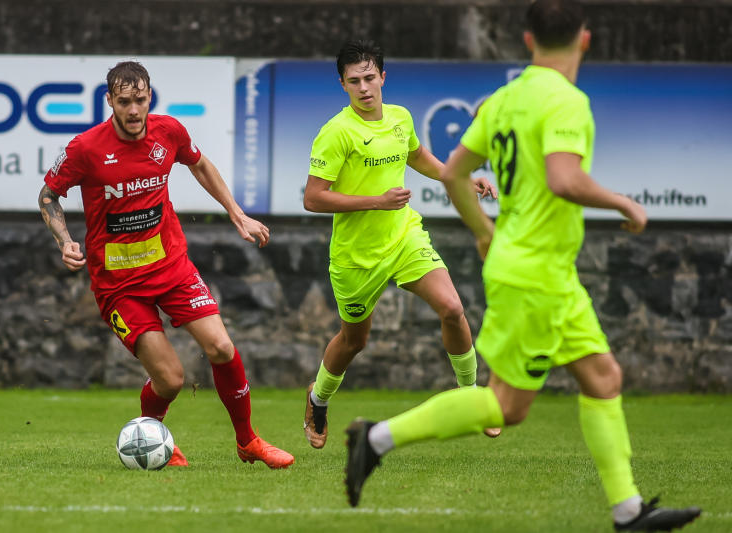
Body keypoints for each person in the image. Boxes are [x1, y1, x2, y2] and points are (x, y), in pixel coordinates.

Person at [343, 1, 702, 530]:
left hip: (548, 271)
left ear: (529, 40)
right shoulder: (568, 101)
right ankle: (375, 439)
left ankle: (628, 511)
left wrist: (484, 232)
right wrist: (623, 202)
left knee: (603, 377)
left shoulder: (504, 99)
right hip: (535, 274)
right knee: (508, 406)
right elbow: (564, 179)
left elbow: (455, 173)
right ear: (585, 39)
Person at [38, 61, 293, 469]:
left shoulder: (169, 131)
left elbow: (200, 164)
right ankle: (151, 440)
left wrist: (237, 213)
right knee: (171, 379)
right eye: (124, 101)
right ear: (110, 101)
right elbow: (48, 195)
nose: (133, 110)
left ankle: (248, 442)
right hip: (119, 286)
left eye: (140, 100)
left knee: (222, 347)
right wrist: (65, 240)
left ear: (149, 97)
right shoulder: (84, 148)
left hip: (172, 268)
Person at [302, 39, 499, 449]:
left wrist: (460, 178)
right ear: (343, 85)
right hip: (356, 256)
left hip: (404, 236)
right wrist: (376, 200)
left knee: (452, 308)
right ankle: (318, 399)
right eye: (354, 81)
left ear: (382, 77)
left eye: (369, 77)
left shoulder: (400, 117)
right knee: (354, 341)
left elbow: (419, 156)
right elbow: (313, 198)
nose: (363, 87)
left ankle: (471, 399)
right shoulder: (336, 133)